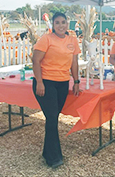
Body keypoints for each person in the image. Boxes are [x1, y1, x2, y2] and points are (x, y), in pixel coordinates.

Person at [32, 12, 81, 168]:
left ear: (68, 24)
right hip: (46, 83)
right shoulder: (46, 39)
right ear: (53, 24)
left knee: (53, 118)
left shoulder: (72, 40)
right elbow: (36, 60)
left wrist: (77, 81)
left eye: (64, 22)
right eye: (58, 22)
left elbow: (74, 63)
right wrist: (39, 82)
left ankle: (47, 152)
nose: (61, 25)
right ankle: (54, 158)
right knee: (52, 118)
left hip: (63, 83)